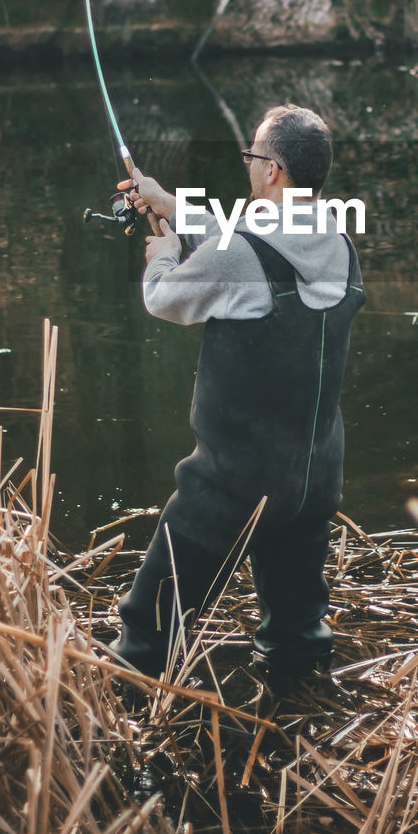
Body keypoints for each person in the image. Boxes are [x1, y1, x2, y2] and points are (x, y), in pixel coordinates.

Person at [110, 103, 365, 684]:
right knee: (297, 640)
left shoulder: (240, 254)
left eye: (253, 156)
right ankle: (297, 731)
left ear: (271, 171)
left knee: (146, 634)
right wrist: (167, 203)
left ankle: (125, 747)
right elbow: (249, 244)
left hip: (232, 489)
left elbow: (166, 299)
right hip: (313, 484)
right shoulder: (341, 243)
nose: (248, 165)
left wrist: (164, 255)